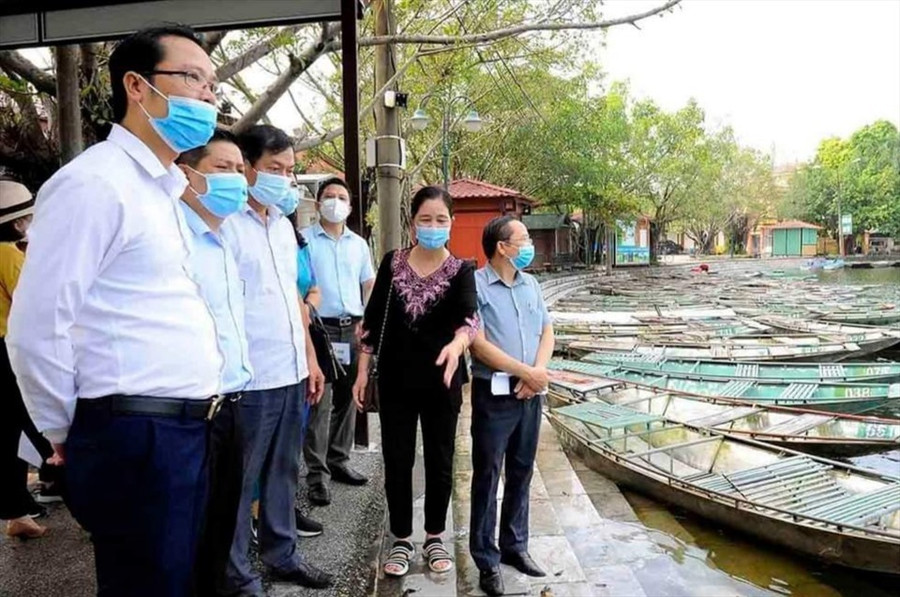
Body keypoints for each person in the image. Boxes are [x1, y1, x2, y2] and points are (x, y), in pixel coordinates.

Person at [7, 26, 223, 597]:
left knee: (178, 581)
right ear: (137, 85)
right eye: (194, 78)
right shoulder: (94, 184)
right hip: (135, 432)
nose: (208, 97)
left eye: (213, 85)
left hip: (185, 427)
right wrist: (64, 429)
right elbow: (36, 326)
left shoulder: (161, 189)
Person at [221, 124, 331, 594]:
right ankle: (235, 573)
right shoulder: (224, 224)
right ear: (246, 167)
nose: (283, 179)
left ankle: (281, 554)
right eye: (273, 169)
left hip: (290, 370)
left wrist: (310, 360)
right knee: (240, 482)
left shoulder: (284, 228)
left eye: (289, 170)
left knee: (284, 471)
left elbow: (292, 300)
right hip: (248, 379)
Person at [352, 185, 478, 578]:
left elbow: (470, 321)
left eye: (441, 219)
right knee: (398, 460)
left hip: (443, 383)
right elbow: (371, 324)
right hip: (395, 382)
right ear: (412, 224)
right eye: (426, 219)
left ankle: (435, 535)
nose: (434, 226)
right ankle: (402, 538)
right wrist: (361, 372)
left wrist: (458, 345)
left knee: (441, 462)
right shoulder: (392, 263)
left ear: (451, 224)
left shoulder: (461, 271)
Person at [171, 129, 254, 596]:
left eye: (241, 171)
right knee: (186, 537)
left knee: (220, 530)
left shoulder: (223, 240)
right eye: (224, 169)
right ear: (187, 174)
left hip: (232, 404)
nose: (238, 180)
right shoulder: (172, 237)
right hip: (189, 412)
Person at [468, 216, 555, 597]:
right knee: (488, 474)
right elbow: (477, 343)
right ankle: (486, 560)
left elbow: (547, 330)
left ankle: (515, 546)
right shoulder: (475, 285)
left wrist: (537, 372)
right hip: (494, 393)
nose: (529, 244)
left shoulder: (531, 284)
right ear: (502, 246)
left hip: (530, 394)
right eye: (524, 239)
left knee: (521, 470)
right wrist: (525, 372)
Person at [301, 177, 376, 506]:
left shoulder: (358, 244)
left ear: (349, 205)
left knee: (348, 398)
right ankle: (317, 476)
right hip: (320, 329)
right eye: (329, 196)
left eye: (341, 196)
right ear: (317, 204)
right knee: (320, 403)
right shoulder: (303, 241)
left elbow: (369, 283)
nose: (335, 201)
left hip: (353, 328)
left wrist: (367, 322)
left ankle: (338, 460)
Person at [0, 180, 51, 539]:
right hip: (9, 350)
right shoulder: (9, 255)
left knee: (8, 433)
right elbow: (32, 302)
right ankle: (71, 488)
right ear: (18, 223)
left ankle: (17, 511)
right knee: (43, 425)